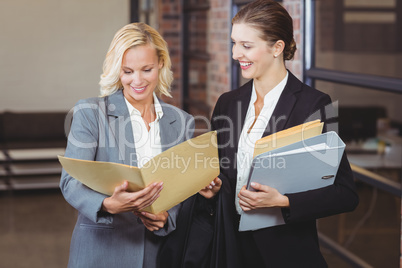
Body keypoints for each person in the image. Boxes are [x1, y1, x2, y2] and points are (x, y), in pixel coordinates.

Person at [206, 1, 360, 267]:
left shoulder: (315, 105)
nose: (235, 54)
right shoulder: (227, 103)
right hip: (228, 249)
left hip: (284, 253)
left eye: (246, 45)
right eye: (234, 43)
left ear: (277, 47)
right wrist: (213, 184)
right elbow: (220, 171)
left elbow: (345, 193)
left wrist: (284, 201)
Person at [60, 22, 219, 268]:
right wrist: (107, 205)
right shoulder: (91, 112)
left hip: (157, 253)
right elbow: (70, 183)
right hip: (100, 251)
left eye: (146, 69)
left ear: (161, 65)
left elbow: (180, 191)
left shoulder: (182, 122)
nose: (137, 80)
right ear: (117, 70)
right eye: (127, 71)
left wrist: (167, 218)